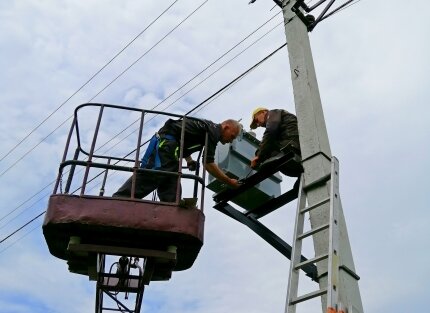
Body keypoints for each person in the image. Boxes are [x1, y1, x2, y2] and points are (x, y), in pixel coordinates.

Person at [113, 117, 242, 202]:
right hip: (167, 144)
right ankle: (120, 200)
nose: (230, 140)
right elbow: (207, 163)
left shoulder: (206, 129)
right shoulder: (214, 132)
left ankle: (171, 210)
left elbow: (183, 140)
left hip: (170, 145)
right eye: (232, 136)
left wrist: (189, 160)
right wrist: (229, 181)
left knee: (171, 179)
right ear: (226, 127)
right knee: (157, 173)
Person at [249, 107, 302, 178]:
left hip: (291, 142)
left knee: (266, 150)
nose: (258, 124)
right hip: (293, 143)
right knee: (265, 151)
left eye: (256, 120)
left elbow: (270, 133)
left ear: (263, 112)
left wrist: (258, 156)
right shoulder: (277, 120)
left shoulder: (273, 113)